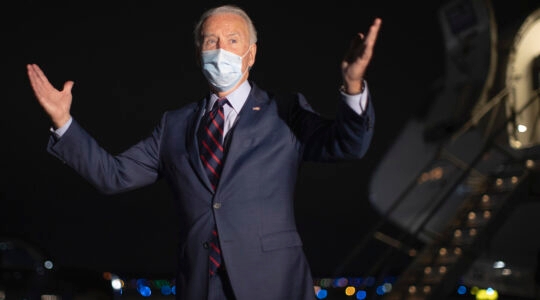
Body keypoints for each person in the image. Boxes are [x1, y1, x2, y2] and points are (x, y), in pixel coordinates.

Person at [27, 4, 381, 300]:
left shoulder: (284, 110)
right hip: (199, 284)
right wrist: (64, 122)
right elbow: (114, 176)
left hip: (272, 282)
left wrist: (352, 85)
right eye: (211, 40)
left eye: (232, 40)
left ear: (251, 54)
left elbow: (347, 144)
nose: (221, 49)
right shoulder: (174, 124)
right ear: (199, 52)